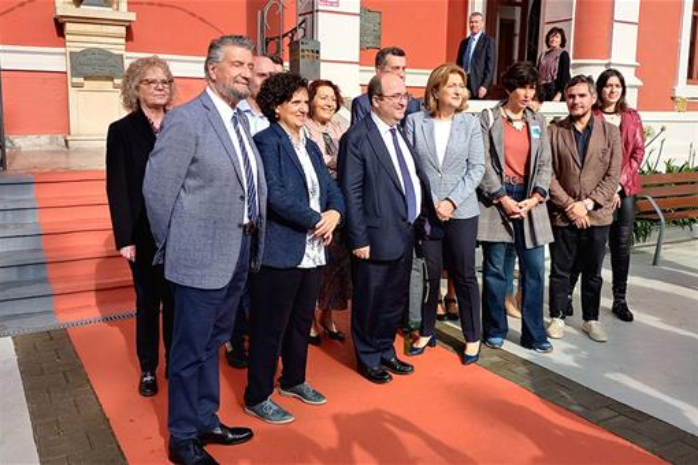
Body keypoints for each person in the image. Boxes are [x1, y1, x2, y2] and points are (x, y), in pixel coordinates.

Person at [143, 35, 265, 465]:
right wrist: (180, 248)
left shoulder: (241, 121)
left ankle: (206, 420)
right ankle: (181, 438)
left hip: (237, 252)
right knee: (188, 351)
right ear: (212, 70)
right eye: (237, 65)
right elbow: (157, 193)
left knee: (213, 343)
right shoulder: (186, 120)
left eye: (249, 66)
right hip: (198, 259)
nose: (246, 73)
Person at [244, 72, 344, 425]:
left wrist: (334, 212)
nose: (304, 108)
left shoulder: (311, 145)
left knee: (302, 321)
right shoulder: (267, 142)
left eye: (306, 101)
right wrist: (317, 219)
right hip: (282, 249)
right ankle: (257, 395)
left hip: (314, 249)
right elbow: (274, 192)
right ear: (276, 107)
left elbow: (331, 189)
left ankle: (293, 380)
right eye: (296, 102)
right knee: (270, 326)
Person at [339, 72, 438, 384]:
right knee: (369, 300)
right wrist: (358, 237)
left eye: (404, 94)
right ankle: (367, 356)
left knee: (393, 300)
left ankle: (385, 350)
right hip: (373, 237)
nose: (402, 100)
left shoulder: (400, 134)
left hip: (404, 233)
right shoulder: (357, 138)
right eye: (394, 95)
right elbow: (351, 192)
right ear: (375, 100)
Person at [404, 64, 485, 364]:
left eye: (460, 86)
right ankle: (427, 330)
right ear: (435, 90)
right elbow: (412, 168)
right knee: (429, 274)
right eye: (450, 84)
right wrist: (434, 201)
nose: (457, 90)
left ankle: (472, 337)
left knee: (464, 275)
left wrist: (450, 201)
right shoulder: (414, 122)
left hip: (462, 211)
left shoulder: (470, 124)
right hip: (427, 212)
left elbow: (477, 168)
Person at [106, 56, 176, 397]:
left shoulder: (180, 123)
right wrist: (125, 237)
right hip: (143, 231)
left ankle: (176, 363)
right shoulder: (121, 131)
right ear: (136, 88)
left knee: (177, 302)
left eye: (165, 81)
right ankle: (148, 368)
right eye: (152, 81)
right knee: (148, 303)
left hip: (180, 231)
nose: (161, 86)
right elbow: (117, 186)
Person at [478, 62, 554, 354]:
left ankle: (534, 333)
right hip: (498, 199)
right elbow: (482, 161)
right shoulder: (488, 118)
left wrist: (536, 197)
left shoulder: (538, 122)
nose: (527, 93)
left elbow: (545, 163)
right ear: (509, 87)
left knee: (534, 269)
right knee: (496, 269)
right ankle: (495, 329)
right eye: (522, 86)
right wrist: (500, 196)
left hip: (530, 201)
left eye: (532, 87)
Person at [546, 75, 622, 343]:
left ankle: (591, 319)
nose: (575, 101)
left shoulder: (611, 132)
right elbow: (548, 174)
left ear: (592, 98)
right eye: (571, 96)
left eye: (581, 96)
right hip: (563, 215)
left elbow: (613, 175)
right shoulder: (554, 131)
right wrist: (569, 205)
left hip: (597, 216)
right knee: (560, 270)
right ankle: (557, 316)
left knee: (593, 273)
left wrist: (587, 205)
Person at [567, 69, 644, 323]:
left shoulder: (632, 117)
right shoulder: (593, 116)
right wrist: (605, 192)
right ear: (599, 90)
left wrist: (618, 187)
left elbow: (637, 154)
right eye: (608, 85)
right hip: (595, 193)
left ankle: (620, 299)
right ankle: (567, 294)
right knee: (587, 246)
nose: (613, 90)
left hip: (625, 190)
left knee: (621, 247)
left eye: (617, 86)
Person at [225, 54, 283, 370]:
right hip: (242, 216)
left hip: (274, 220)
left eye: (274, 74)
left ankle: (260, 340)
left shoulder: (280, 117)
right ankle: (236, 339)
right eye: (262, 74)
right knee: (238, 284)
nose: (268, 80)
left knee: (263, 287)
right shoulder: (237, 115)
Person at [305, 79, 351, 344]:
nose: (328, 103)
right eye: (323, 97)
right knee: (318, 262)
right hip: (316, 204)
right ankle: (310, 317)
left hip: (339, 202)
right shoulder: (305, 128)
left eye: (332, 98)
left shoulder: (342, 126)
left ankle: (328, 314)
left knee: (337, 264)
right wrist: (336, 160)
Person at [351, 46, 421, 126]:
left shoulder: (413, 104)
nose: (401, 74)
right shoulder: (363, 104)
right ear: (379, 70)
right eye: (396, 68)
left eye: (403, 69)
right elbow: (359, 136)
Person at [456, 12, 495, 100]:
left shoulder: (488, 41)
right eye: (471, 22)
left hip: (478, 85)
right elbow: (458, 65)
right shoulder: (464, 43)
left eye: (476, 22)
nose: (473, 24)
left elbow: (490, 67)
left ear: (482, 24)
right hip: (464, 83)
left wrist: (484, 86)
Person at [537, 27, 571, 102]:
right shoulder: (543, 55)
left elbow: (564, 76)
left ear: (561, 40)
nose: (553, 39)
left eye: (557, 37)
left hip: (555, 90)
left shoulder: (563, 54)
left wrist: (559, 94)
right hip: (542, 90)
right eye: (551, 36)